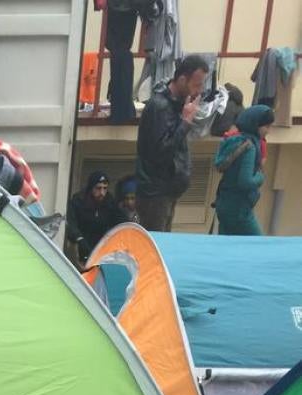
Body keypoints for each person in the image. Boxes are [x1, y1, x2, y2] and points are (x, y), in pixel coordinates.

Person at [136, 54, 210, 232]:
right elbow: (161, 151)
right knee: (156, 246)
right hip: (155, 193)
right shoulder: (160, 107)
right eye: (197, 85)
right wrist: (185, 123)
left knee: (164, 243)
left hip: (167, 190)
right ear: (183, 79)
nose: (199, 91)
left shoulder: (177, 105)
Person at [213, 105, 273, 236]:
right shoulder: (249, 146)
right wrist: (260, 176)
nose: (268, 131)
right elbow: (245, 182)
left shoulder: (234, 140)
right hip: (238, 208)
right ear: (256, 125)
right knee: (258, 246)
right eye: (266, 126)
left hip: (223, 202)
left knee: (226, 248)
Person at [65, 171, 122, 266]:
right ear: (91, 188)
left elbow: (120, 221)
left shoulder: (110, 202)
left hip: (102, 250)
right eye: (98, 188)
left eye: (105, 188)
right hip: (81, 249)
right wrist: (79, 239)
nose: (102, 192)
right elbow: (71, 223)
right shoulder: (78, 201)